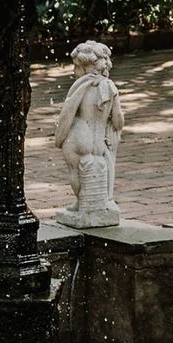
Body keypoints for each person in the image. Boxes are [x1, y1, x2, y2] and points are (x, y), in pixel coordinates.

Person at [54, 41, 123, 228]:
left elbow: (68, 112)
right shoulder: (110, 88)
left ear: (85, 68)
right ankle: (100, 205)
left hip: (79, 136)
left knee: (75, 170)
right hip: (99, 141)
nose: (74, 71)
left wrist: (60, 136)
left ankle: (81, 204)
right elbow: (118, 121)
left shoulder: (80, 87)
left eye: (76, 67)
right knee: (101, 166)